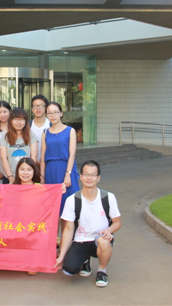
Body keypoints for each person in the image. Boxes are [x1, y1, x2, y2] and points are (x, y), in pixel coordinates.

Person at [55, 160, 121, 288]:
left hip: (100, 239)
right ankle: (85, 260)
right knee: (69, 269)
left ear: (98, 178)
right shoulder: (72, 200)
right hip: (81, 239)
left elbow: (117, 223)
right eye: (86, 174)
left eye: (93, 175)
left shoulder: (108, 197)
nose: (89, 178)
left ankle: (102, 271)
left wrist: (109, 230)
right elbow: (68, 229)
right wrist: (61, 255)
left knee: (103, 242)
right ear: (81, 177)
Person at [40, 102, 80, 217]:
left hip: (65, 168)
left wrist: (68, 174)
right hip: (50, 171)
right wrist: (42, 176)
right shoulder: (45, 132)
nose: (52, 115)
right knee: (52, 208)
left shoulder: (70, 130)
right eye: (49, 113)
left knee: (69, 206)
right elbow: (42, 156)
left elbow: (72, 154)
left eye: (55, 112)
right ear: (46, 115)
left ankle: (69, 229)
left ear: (61, 113)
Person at [0, 108, 38, 183]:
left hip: (27, 177)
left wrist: (27, 174)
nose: (18, 122)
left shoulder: (31, 135)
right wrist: (10, 177)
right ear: (11, 121)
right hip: (9, 177)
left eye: (21, 119)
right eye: (15, 119)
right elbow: (4, 158)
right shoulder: (5, 136)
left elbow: (33, 157)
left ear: (26, 121)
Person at [0, 101, 12, 183]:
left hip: (11, 171)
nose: (2, 115)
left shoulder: (15, 130)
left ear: (10, 112)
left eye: (5, 112)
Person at [30, 95, 50, 164]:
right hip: (31, 165)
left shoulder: (51, 125)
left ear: (46, 108)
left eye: (41, 105)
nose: (38, 108)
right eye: (35, 106)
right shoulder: (27, 126)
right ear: (32, 109)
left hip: (48, 165)